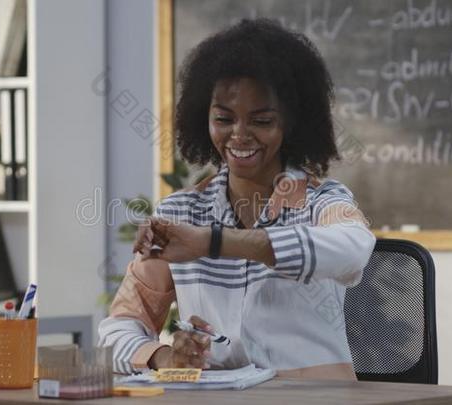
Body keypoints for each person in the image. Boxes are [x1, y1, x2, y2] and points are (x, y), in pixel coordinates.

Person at [98, 18, 376, 380]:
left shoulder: (322, 200)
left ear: (290, 123)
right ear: (204, 118)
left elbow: (353, 249)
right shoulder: (181, 212)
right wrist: (164, 357)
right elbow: (116, 331)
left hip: (313, 397)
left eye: (261, 121)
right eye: (223, 119)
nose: (239, 135)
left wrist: (213, 242)